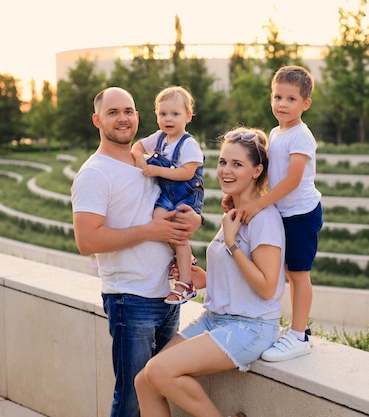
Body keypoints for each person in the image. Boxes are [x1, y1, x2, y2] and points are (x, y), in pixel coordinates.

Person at [134, 128, 286, 417]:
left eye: (237, 164)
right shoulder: (233, 213)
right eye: (223, 162)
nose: (226, 171)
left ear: (257, 171)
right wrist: (195, 275)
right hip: (214, 319)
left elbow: (267, 287)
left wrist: (231, 244)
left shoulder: (264, 220)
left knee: (159, 371)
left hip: (250, 326)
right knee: (144, 380)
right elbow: (232, 277)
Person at [71, 86, 202, 417]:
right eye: (113, 112)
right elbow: (87, 241)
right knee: (130, 399)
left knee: (153, 393)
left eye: (128, 111)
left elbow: (175, 202)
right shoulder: (94, 173)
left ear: (138, 117)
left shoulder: (148, 160)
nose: (123, 118)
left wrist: (192, 222)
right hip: (130, 300)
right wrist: (151, 231)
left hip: (166, 297)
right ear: (97, 120)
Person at [237, 65, 323, 362]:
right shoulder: (276, 132)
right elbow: (271, 174)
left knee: (299, 275)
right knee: (288, 272)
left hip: (301, 214)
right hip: (283, 212)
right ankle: (297, 327)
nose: (282, 104)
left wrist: (258, 204)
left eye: (291, 99)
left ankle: (299, 336)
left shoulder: (301, 136)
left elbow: (291, 180)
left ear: (305, 103)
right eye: (277, 97)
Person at [130, 86, 205, 305]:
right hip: (167, 195)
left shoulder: (188, 144)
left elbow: (187, 172)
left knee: (178, 236)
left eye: (175, 114)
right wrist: (139, 157)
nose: (168, 119)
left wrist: (157, 170)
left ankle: (186, 284)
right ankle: (184, 259)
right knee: (159, 221)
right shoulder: (160, 138)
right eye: (163, 114)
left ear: (188, 117)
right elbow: (138, 146)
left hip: (186, 196)